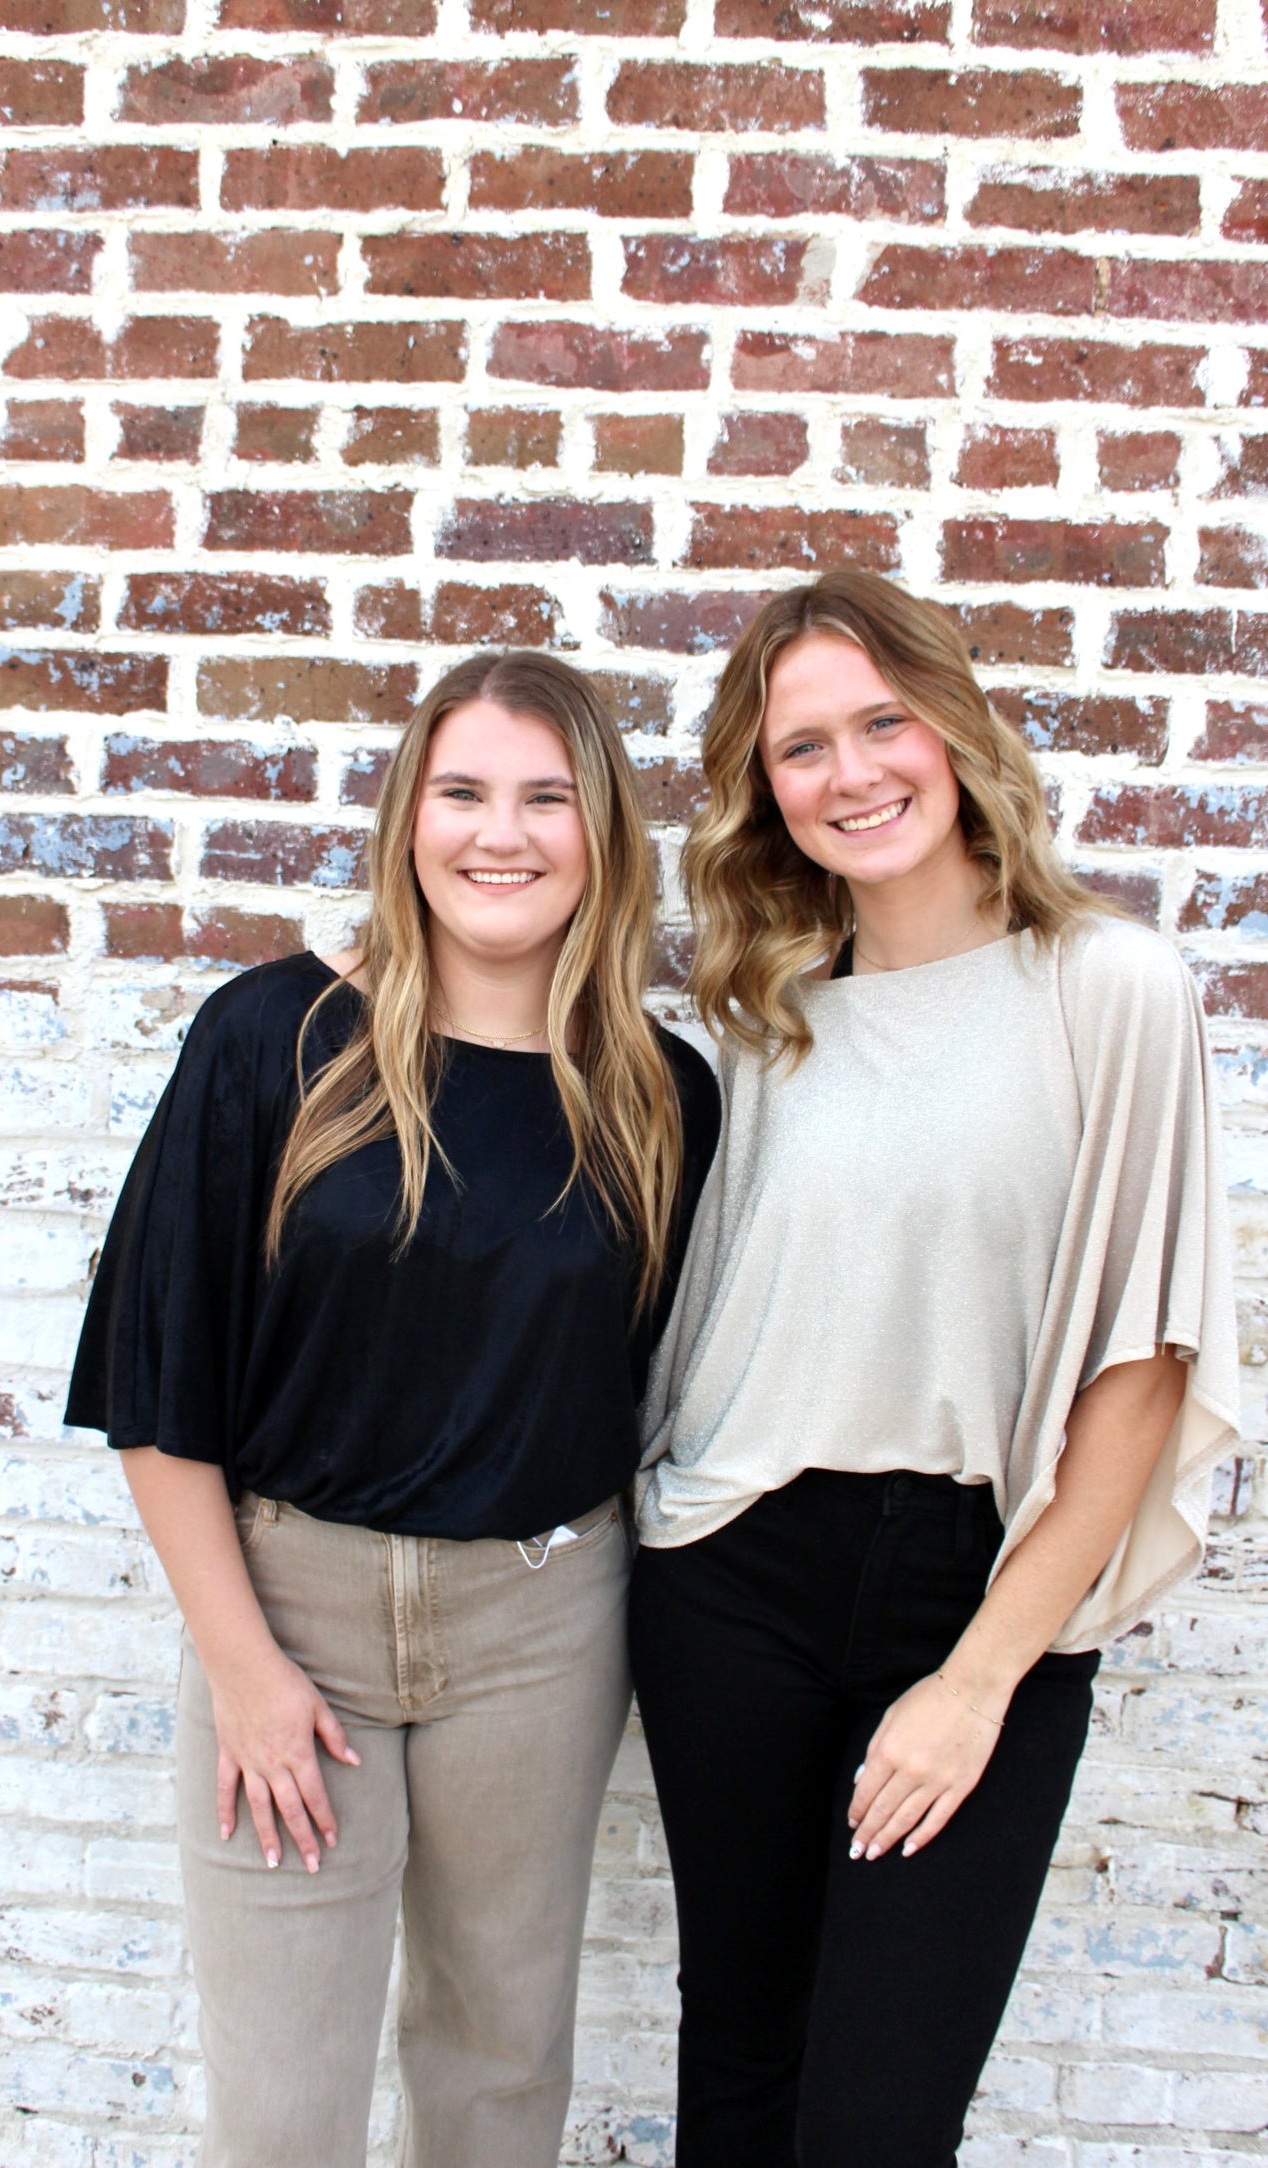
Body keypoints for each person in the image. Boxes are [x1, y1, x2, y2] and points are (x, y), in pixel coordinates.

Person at [65, 650, 720, 2168]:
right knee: (283, 2101)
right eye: (465, 792)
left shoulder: (656, 1094)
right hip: (292, 1615)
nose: (504, 834)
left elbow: (661, 1385)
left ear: (603, 833)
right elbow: (160, 1387)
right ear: (405, 820)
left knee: (498, 2072)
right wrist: (243, 1668)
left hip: (542, 1632)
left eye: (547, 797)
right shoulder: (275, 1038)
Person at [628, 570, 1239, 2168]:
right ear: (763, 791)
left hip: (981, 1588)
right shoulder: (759, 1014)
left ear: (955, 730)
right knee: (739, 2080)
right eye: (800, 748)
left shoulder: (1105, 988)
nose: (851, 774)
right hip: (729, 1575)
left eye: (881, 722)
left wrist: (977, 1680)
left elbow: (1140, 1363)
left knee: (879, 2123)